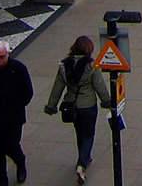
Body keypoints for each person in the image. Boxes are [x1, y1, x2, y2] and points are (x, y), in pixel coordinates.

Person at [43, 36, 111, 184]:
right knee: (89, 134)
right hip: (88, 106)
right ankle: (82, 163)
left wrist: (51, 106)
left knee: (80, 133)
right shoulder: (91, 66)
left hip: (71, 105)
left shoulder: (64, 65)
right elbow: (99, 86)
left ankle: (84, 156)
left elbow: (57, 88)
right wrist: (107, 101)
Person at [0, 41, 34, 186]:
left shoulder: (18, 69)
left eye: (2, 57)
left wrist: (17, 105)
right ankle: (2, 179)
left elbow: (28, 92)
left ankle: (20, 162)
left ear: (8, 54)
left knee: (11, 146)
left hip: (13, 119)